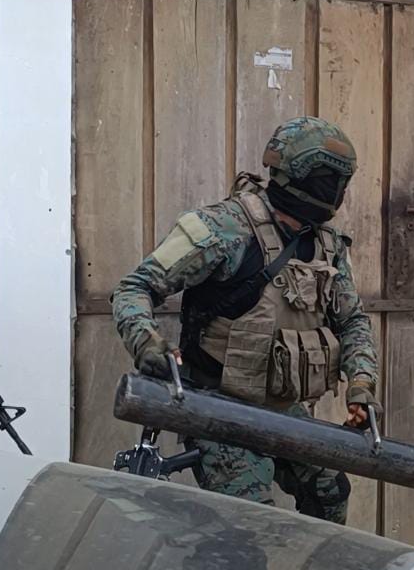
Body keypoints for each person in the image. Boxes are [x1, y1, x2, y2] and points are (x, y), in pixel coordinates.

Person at [112, 116, 382, 525]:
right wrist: (147, 344)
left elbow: (352, 321)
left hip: (284, 408)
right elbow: (135, 288)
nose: (335, 190)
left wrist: (361, 384)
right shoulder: (224, 228)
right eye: (328, 179)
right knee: (247, 527)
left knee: (330, 493)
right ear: (297, 173)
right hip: (219, 405)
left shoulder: (326, 245)